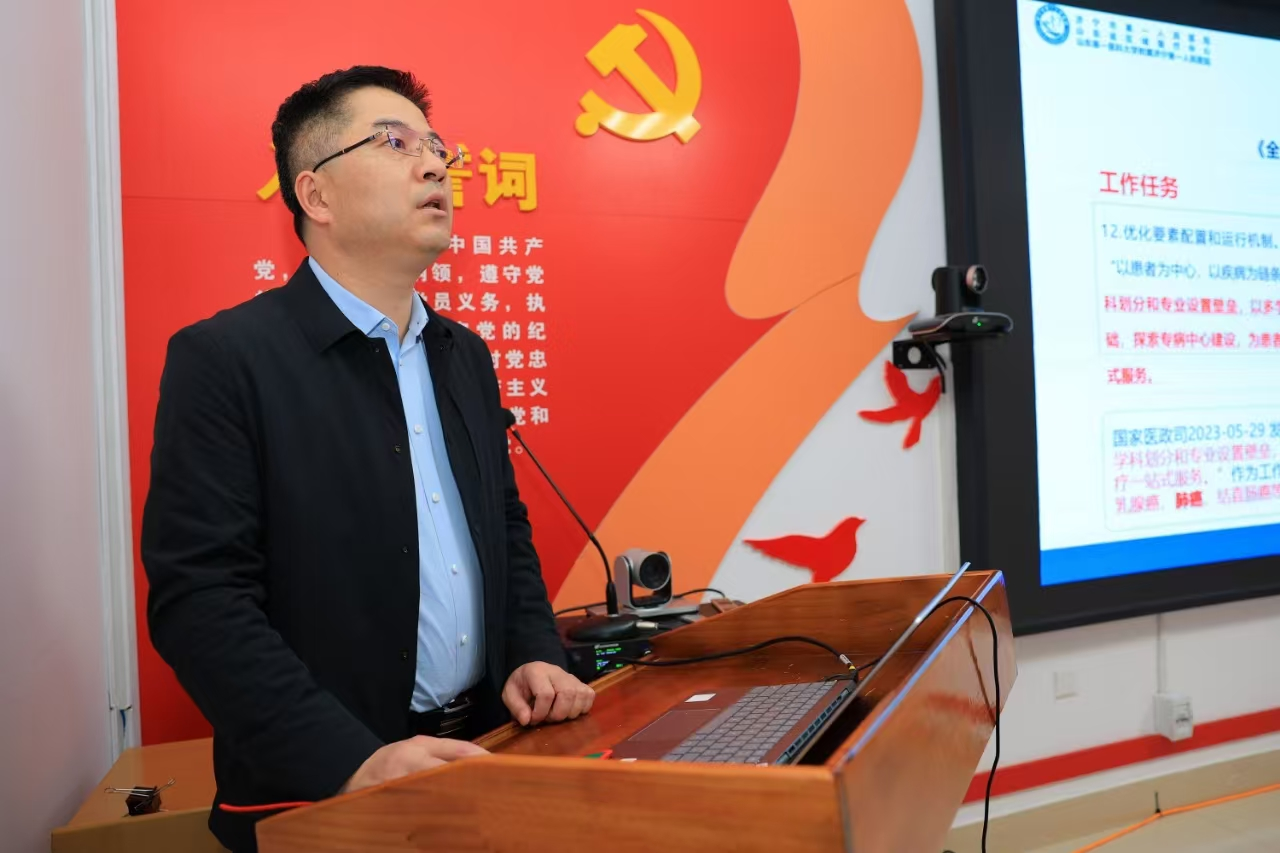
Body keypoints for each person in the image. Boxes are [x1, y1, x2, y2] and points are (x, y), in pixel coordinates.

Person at [141, 65, 594, 852]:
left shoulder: (463, 354)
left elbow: (503, 528)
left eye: (437, 147)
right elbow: (201, 599)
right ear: (315, 195)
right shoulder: (227, 359)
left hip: (483, 750)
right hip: (322, 789)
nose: (434, 166)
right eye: (395, 143)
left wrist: (531, 650)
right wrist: (351, 759)